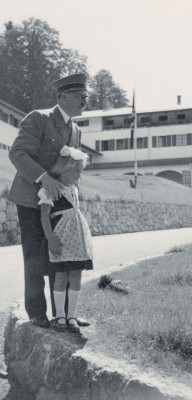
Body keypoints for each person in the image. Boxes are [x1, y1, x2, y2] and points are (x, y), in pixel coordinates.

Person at [8, 73, 91, 328]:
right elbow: (17, 153)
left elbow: (69, 168)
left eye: (86, 97)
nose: (84, 102)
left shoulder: (75, 129)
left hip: (61, 206)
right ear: (61, 97)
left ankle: (64, 315)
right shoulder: (39, 118)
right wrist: (44, 178)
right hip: (32, 200)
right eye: (79, 96)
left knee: (62, 256)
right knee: (34, 256)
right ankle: (36, 313)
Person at [39, 146, 93, 333]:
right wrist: (51, 239)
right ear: (63, 168)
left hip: (77, 237)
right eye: (75, 171)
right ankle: (60, 316)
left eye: (80, 171)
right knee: (61, 275)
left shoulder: (74, 188)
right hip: (60, 237)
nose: (79, 175)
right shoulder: (50, 190)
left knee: (76, 274)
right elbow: (44, 217)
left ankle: (72, 316)